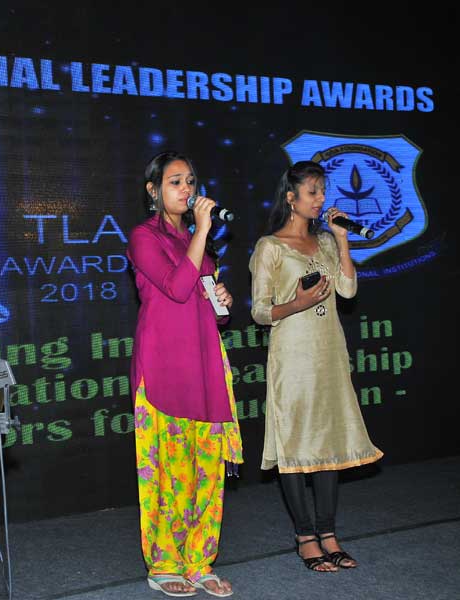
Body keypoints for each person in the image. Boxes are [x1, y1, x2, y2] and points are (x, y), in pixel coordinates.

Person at [248, 160, 383, 572]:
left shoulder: (325, 240)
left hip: (329, 354)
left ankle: (329, 532)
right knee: (295, 443)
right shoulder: (270, 247)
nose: (321, 199)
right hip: (292, 357)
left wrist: (341, 240)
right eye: (313, 192)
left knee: (328, 441)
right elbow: (259, 311)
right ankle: (305, 536)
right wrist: (298, 303)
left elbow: (348, 290)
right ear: (291, 198)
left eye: (323, 191)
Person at [127, 151, 243, 597]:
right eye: (175, 181)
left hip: (204, 363)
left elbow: (207, 309)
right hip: (164, 368)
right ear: (153, 190)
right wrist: (203, 233)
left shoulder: (198, 242)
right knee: (168, 473)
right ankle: (164, 564)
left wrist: (221, 301)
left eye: (191, 181)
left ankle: (199, 561)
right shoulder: (144, 237)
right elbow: (176, 288)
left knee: (207, 472)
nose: (187, 189)